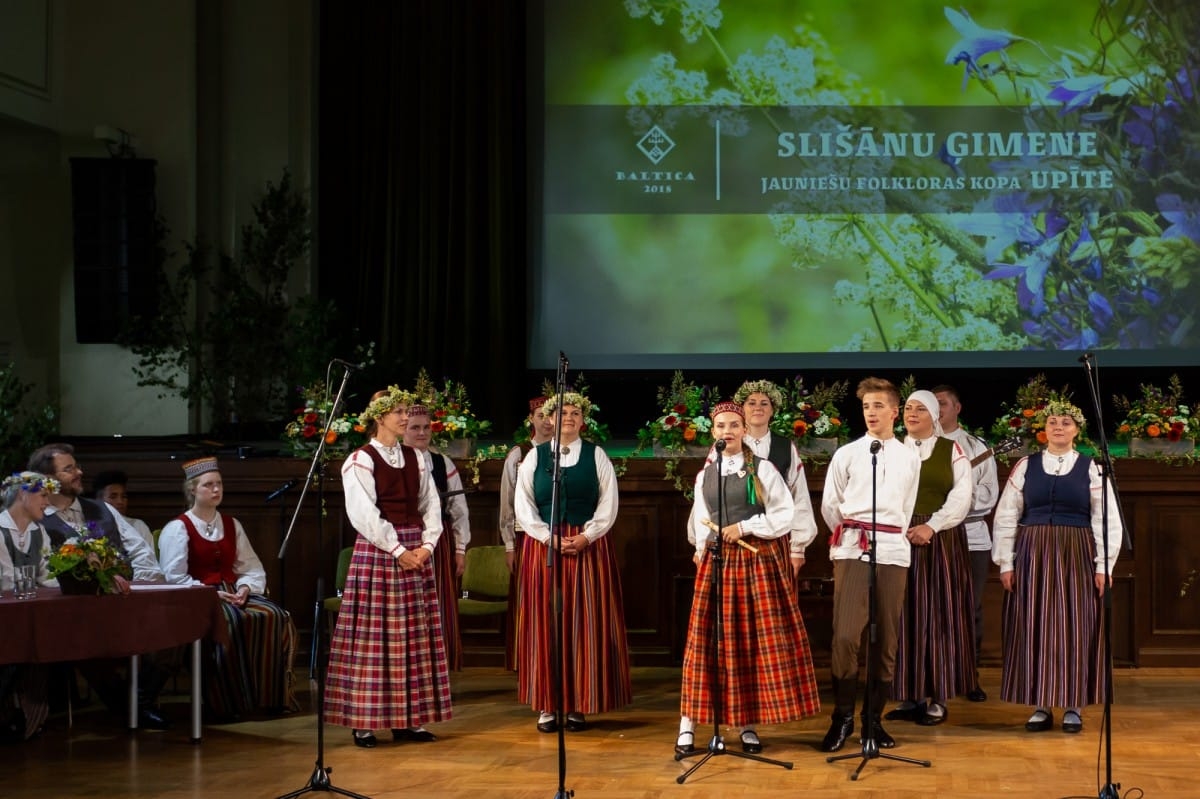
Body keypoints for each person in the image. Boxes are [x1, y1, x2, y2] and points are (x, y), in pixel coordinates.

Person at [676, 401, 820, 757]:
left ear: (743, 431)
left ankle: (747, 724)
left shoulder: (764, 469)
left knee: (747, 643)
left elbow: (784, 514)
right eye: (721, 426)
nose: (728, 431)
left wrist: (746, 526)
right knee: (706, 643)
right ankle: (688, 725)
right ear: (714, 432)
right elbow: (702, 516)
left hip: (755, 562)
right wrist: (701, 546)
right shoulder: (705, 473)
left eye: (734, 426)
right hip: (716, 563)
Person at [324, 386, 450, 748]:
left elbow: (430, 503)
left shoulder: (416, 457)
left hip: (415, 549)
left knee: (412, 638)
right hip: (381, 551)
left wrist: (427, 544)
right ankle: (365, 722)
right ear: (378, 417)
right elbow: (363, 514)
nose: (405, 417)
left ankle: (408, 720)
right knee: (373, 638)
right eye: (398, 412)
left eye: (406, 411)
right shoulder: (360, 459)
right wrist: (397, 549)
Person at [992, 399, 1122, 734]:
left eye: (1065, 422)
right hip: (1033, 551)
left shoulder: (1091, 468)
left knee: (1074, 626)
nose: (1058, 427)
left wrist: (1103, 564)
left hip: (1075, 552)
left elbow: (1105, 518)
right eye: (1052, 421)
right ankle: (1039, 704)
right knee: (1034, 623)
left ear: (1077, 429)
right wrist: (1007, 561)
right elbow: (1007, 514)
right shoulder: (1026, 466)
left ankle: (1073, 705)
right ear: (1043, 429)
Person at [27, 443, 171, 729]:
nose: (79, 472)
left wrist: (141, 584)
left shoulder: (102, 509)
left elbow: (139, 550)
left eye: (76, 465)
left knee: (173, 627)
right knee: (81, 638)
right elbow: (43, 575)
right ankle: (134, 708)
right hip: (77, 611)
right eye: (69, 469)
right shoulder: (37, 519)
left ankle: (135, 704)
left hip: (125, 601)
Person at [513, 390, 630, 733]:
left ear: (583, 420)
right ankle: (548, 705)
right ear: (550, 419)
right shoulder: (534, 458)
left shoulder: (597, 456)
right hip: (544, 546)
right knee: (546, 621)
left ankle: (580, 702)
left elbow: (608, 503)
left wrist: (587, 536)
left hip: (587, 546)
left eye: (576, 414)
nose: (570, 418)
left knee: (585, 622)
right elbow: (524, 504)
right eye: (563, 413)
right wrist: (547, 536)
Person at [819, 376, 921, 752]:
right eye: (866, 407)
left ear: (895, 411)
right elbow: (832, 506)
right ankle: (842, 717)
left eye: (879, 406)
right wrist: (852, 534)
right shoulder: (847, 454)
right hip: (853, 548)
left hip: (893, 549)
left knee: (886, 641)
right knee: (846, 636)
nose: (871, 413)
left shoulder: (910, 456)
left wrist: (891, 534)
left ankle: (873, 721)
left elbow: (907, 507)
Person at [158, 457, 298, 720]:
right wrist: (210, 593)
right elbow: (173, 577)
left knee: (276, 616)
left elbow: (250, 566)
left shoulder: (232, 524)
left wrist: (245, 588)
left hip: (233, 591)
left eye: (219, 484)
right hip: (196, 595)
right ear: (192, 490)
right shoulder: (178, 528)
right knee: (229, 622)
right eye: (208, 485)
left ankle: (272, 697)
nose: (216, 490)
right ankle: (225, 703)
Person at [886, 390, 973, 726]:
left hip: (939, 542)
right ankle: (908, 695)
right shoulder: (891, 450)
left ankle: (937, 696)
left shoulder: (952, 451)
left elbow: (961, 497)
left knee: (937, 614)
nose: (912, 413)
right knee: (902, 615)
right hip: (898, 537)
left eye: (921, 409)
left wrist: (931, 526)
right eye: (908, 408)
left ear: (935, 415)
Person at [934, 383, 1000, 702]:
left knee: (969, 608)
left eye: (943, 403)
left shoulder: (977, 448)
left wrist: (957, 500)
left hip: (970, 537)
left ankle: (969, 676)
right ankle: (929, 677)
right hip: (928, 537)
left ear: (957, 408)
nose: (938, 409)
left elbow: (988, 496)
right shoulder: (917, 446)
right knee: (929, 608)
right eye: (933, 404)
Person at [402, 405, 470, 672]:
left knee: (437, 604)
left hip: (437, 543)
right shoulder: (393, 461)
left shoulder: (442, 463)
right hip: (403, 541)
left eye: (426, 427)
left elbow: (459, 510)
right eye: (415, 427)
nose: (422, 433)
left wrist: (460, 548)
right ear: (402, 430)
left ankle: (436, 668)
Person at [732, 379, 821, 580]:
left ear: (773, 410)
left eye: (764, 403)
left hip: (775, 538)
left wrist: (797, 548)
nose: (758, 407)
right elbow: (709, 492)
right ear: (742, 409)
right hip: (735, 538)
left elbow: (799, 496)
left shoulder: (785, 447)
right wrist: (703, 544)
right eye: (751, 403)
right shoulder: (728, 445)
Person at [0, 472, 59, 741]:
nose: (48, 502)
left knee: (42, 643)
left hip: (23, 616)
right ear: (23, 495)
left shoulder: (39, 532)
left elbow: (46, 576)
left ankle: (27, 719)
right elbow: (6, 581)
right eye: (43, 495)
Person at [497, 394, 555, 670]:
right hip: (526, 536)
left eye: (549, 415)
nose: (545, 421)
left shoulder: (565, 452)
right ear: (531, 419)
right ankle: (526, 658)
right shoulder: (520, 453)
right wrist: (509, 544)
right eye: (540, 415)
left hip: (559, 533)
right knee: (527, 600)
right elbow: (508, 503)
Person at [92, 470, 155, 552]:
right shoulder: (90, 527)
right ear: (99, 501)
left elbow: (150, 561)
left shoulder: (138, 526)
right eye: (113, 497)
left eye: (124, 496)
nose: (120, 501)